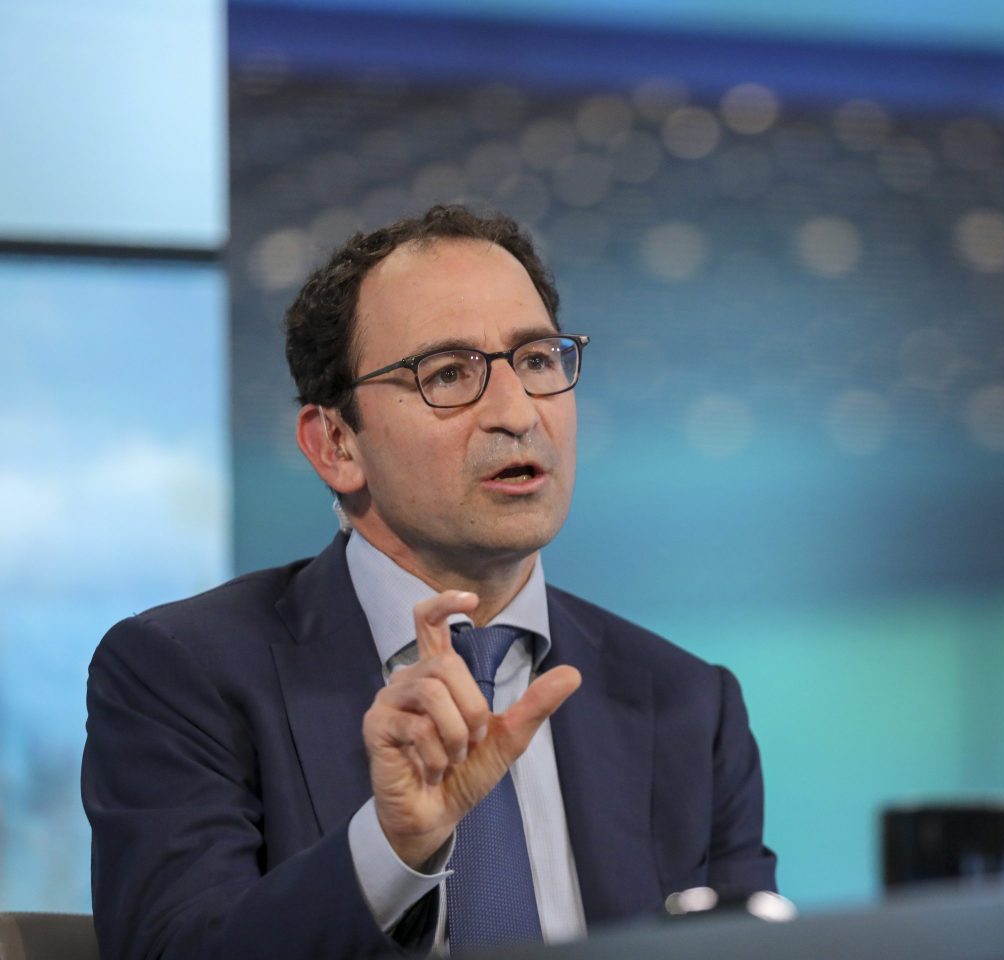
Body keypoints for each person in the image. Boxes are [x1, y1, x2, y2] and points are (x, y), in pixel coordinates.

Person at [82, 205, 777, 960]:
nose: (516, 413)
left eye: (539, 360)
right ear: (337, 445)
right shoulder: (182, 673)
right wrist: (389, 850)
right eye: (448, 373)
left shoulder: (687, 705)